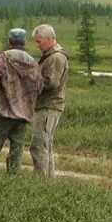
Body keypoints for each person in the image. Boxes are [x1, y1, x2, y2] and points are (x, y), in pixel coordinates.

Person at [0, 28, 44, 173]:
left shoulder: (2, 58)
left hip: (4, 112)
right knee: (17, 148)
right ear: (24, 42)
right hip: (24, 114)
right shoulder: (33, 63)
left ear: (10, 42)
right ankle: (13, 177)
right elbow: (40, 86)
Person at [30, 24, 69, 178]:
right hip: (48, 105)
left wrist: (32, 82)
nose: (37, 45)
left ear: (48, 39)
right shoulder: (52, 56)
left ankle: (40, 181)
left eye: (39, 42)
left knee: (39, 144)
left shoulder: (56, 57)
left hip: (48, 105)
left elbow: (51, 83)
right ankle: (48, 181)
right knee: (47, 145)